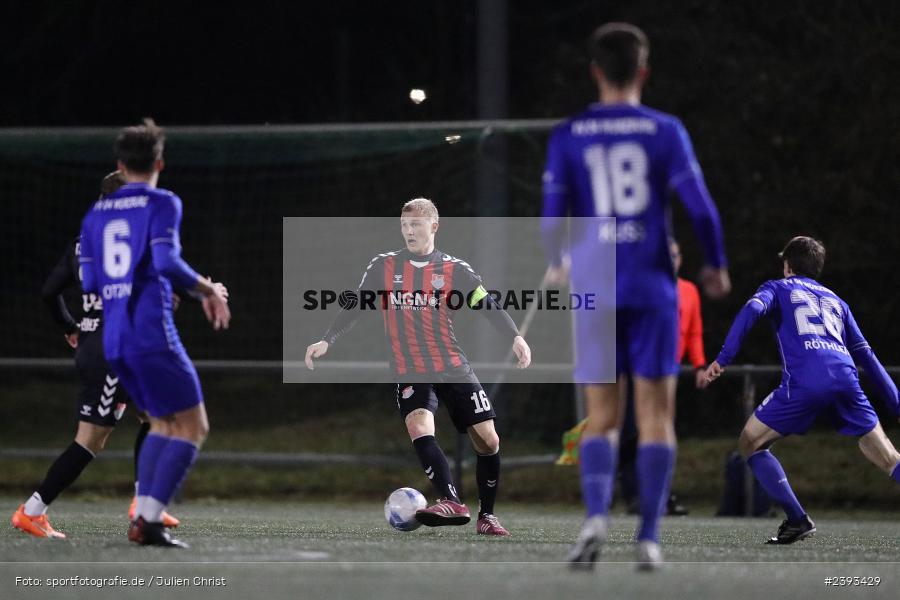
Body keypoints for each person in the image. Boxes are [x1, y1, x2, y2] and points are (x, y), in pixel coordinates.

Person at [541, 23, 730, 569]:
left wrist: (558, 258)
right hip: (651, 287)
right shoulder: (665, 130)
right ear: (643, 71)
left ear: (595, 72)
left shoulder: (569, 133)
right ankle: (648, 537)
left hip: (596, 287)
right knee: (655, 417)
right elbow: (701, 209)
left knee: (601, 416)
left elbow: (551, 216)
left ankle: (595, 517)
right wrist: (714, 264)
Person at [306, 198, 531, 536]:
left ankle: (487, 517)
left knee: (489, 441)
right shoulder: (384, 266)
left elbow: (487, 304)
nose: (409, 231)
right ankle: (451, 500)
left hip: (452, 364)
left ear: (434, 226)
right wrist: (327, 339)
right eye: (404, 225)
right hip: (410, 367)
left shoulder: (456, 270)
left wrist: (515, 337)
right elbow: (356, 304)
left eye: (416, 224)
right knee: (419, 426)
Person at [78, 118, 231, 548]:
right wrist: (207, 290)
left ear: (120, 165)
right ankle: (149, 520)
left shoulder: (95, 214)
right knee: (194, 426)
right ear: (159, 163)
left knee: (163, 424)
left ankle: (144, 519)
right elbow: (165, 262)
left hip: (114, 339)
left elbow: (89, 283)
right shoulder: (163, 202)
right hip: (150, 333)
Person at [11, 172, 179, 539]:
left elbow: (49, 292)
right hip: (114, 350)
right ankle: (32, 511)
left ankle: (142, 504)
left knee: (157, 416)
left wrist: (71, 326)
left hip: (101, 345)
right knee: (90, 439)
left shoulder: (82, 242)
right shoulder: (130, 240)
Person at [703, 236, 900, 543]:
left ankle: (797, 520)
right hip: (846, 379)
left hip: (807, 381)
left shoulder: (777, 287)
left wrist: (724, 357)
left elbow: (752, 309)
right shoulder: (838, 302)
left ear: (788, 265)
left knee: (750, 443)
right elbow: (866, 355)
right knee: (888, 457)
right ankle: (797, 521)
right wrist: (896, 402)